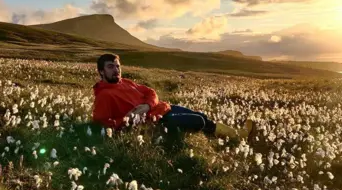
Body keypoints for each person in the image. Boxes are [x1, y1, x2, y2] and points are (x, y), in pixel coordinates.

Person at [92, 53, 254, 141]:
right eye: (111, 67)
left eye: (118, 66)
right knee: (200, 121)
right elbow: (101, 123)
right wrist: (129, 118)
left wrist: (148, 105)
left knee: (201, 115)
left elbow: (151, 92)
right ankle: (228, 136)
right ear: (101, 71)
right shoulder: (104, 95)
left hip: (161, 108)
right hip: (156, 121)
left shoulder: (126, 82)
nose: (116, 70)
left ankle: (236, 135)